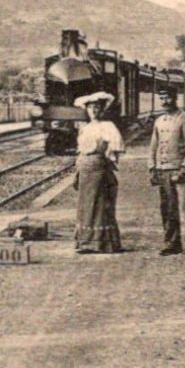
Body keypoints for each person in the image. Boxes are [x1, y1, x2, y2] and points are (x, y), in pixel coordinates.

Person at [150, 86, 185, 256]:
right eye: (162, 98)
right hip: (163, 170)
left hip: (180, 172)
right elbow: (154, 146)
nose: (165, 102)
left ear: (175, 98)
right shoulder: (158, 121)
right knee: (168, 210)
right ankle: (172, 243)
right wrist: (152, 167)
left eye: (168, 98)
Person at [72, 92, 124, 254]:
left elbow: (116, 147)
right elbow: (80, 150)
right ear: (86, 110)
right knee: (85, 205)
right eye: (91, 107)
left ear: (102, 110)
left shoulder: (108, 126)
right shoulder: (85, 128)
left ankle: (102, 243)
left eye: (97, 107)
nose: (94, 110)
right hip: (84, 167)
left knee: (99, 204)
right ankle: (85, 242)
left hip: (98, 168)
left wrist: (107, 158)